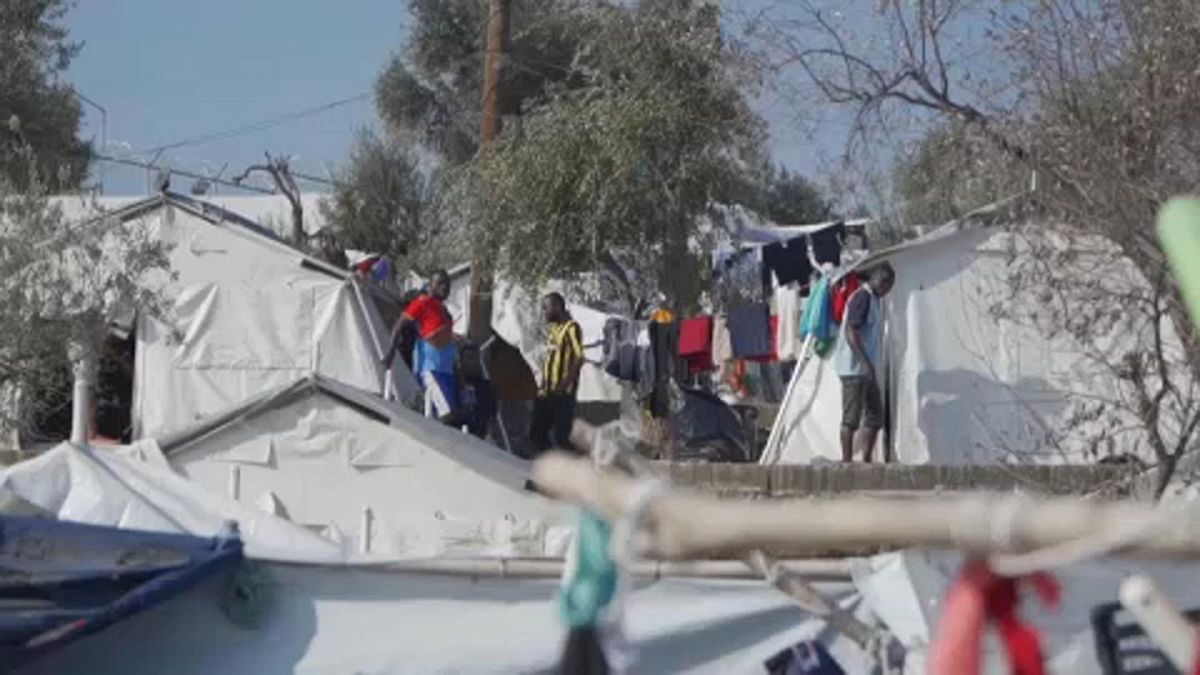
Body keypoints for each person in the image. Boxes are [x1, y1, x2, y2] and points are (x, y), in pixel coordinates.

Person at [833, 263, 895, 463]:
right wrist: (865, 363)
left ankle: (866, 460)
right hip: (854, 368)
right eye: (887, 284)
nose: (887, 290)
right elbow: (852, 334)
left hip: (866, 369)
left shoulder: (875, 301)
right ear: (877, 280)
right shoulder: (862, 298)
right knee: (851, 419)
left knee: (875, 416)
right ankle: (847, 461)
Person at [384, 270, 457, 416]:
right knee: (445, 413)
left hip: (447, 371)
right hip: (430, 369)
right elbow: (400, 323)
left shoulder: (445, 311)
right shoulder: (423, 302)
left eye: (447, 284)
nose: (445, 287)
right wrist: (390, 352)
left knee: (447, 417)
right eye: (440, 283)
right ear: (431, 285)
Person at [530, 292, 584, 456]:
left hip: (562, 392)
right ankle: (550, 464)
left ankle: (575, 467)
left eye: (546, 308)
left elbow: (579, 358)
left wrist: (564, 384)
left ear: (557, 306)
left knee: (562, 437)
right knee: (537, 433)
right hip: (546, 391)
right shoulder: (553, 329)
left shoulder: (572, 327)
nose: (544, 312)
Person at [440, 343, 496, 440]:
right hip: (455, 432)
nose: (471, 363)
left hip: (478, 433)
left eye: (474, 359)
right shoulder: (454, 383)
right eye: (468, 358)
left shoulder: (485, 386)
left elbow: (491, 411)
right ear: (461, 361)